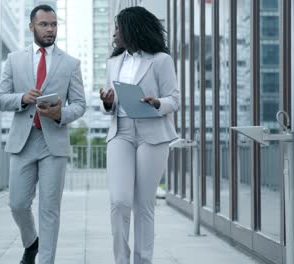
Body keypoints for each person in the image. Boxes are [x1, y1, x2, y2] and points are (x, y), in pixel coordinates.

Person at [0, 4, 86, 264]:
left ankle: (45, 261)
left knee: (49, 209)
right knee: (18, 204)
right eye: (44, 24)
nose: (50, 29)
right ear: (31, 26)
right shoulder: (14, 59)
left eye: (54, 24)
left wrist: (60, 114)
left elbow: (80, 105)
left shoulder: (71, 63)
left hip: (53, 143)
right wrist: (22, 98)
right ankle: (31, 242)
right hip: (23, 142)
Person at [99, 6, 179, 264]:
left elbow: (174, 99)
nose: (114, 34)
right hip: (120, 132)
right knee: (119, 201)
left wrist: (157, 103)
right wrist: (107, 102)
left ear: (132, 30)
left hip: (152, 134)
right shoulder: (113, 63)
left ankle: (143, 261)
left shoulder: (161, 60)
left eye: (118, 29)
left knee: (144, 204)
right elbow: (110, 104)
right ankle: (121, 260)